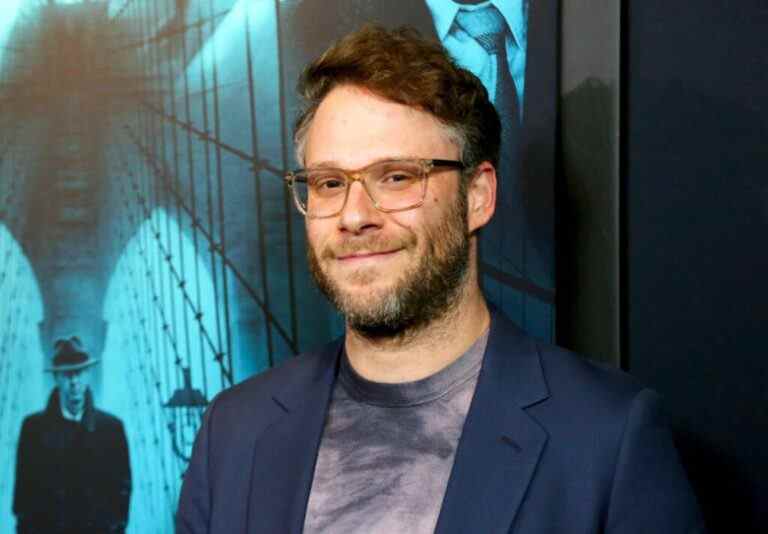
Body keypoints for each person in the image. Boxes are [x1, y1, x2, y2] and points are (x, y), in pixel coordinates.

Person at [176, 25, 705, 533]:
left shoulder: (608, 438)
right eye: (330, 182)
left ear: (477, 196)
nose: (354, 215)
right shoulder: (233, 431)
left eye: (398, 176)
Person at [13, 336, 131, 533]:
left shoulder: (112, 430)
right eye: (67, 375)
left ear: (87, 375)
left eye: (79, 372)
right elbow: (22, 499)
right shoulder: (33, 430)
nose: (74, 382)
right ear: (57, 378)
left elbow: (121, 495)